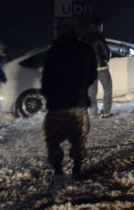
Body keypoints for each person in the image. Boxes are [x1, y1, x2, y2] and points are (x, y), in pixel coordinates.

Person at [41, 20, 97, 188]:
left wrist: (50, 94)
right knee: (78, 140)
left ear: (60, 32)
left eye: (57, 30)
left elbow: (46, 78)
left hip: (56, 106)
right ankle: (77, 172)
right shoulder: (85, 49)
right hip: (78, 104)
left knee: (52, 140)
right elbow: (92, 75)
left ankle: (58, 174)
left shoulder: (53, 50)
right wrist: (81, 89)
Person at [82, 18, 113, 117]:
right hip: (102, 68)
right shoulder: (99, 37)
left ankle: (93, 113)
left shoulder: (84, 38)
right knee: (107, 90)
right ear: (99, 27)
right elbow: (106, 54)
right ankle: (106, 112)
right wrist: (108, 57)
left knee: (91, 93)